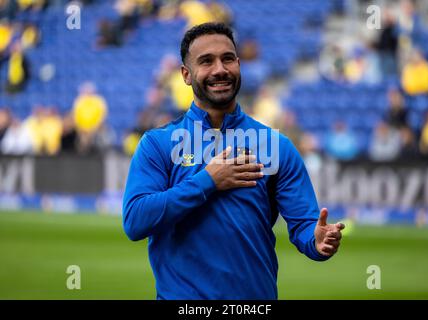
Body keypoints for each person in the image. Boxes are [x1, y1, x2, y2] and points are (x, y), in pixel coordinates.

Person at [122, 22, 344, 300]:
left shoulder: (276, 146)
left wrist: (317, 240)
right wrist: (209, 181)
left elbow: (303, 226)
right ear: (186, 75)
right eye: (206, 61)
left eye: (228, 59)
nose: (220, 69)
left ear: (239, 65)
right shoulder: (158, 144)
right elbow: (135, 220)